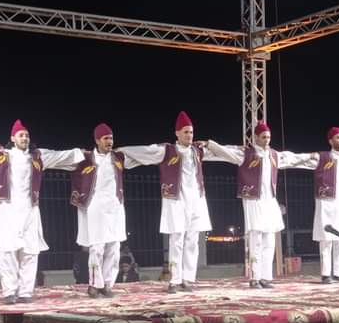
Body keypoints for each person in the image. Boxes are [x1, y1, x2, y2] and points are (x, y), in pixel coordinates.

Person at [0, 120, 84, 303]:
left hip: (29, 210)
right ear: (13, 138)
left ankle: (25, 292)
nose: (25, 138)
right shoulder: (0, 154)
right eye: (21, 135)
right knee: (7, 251)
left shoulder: (37, 156)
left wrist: (81, 154)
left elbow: (59, 156)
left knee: (30, 252)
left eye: (27, 135)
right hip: (5, 210)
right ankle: (9, 292)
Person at [203, 121, 318, 288]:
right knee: (256, 240)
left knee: (269, 240)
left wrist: (309, 156)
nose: (267, 140)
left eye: (268, 137)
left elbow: (292, 158)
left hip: (270, 200)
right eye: (263, 137)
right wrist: (210, 144)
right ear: (255, 137)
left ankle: (266, 277)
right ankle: (254, 278)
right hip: (253, 200)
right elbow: (225, 152)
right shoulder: (246, 154)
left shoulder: (274, 155)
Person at [118, 111, 217, 293]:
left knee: (193, 240)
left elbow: (224, 153)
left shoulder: (198, 150)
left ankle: (188, 279)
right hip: (176, 199)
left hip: (197, 199)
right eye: (186, 132)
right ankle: (175, 280)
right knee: (176, 239)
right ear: (177, 133)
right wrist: (120, 152)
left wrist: (211, 144)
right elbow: (145, 151)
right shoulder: (167, 150)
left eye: (191, 132)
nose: (189, 135)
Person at [71, 123, 139, 298]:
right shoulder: (85, 158)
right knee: (97, 247)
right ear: (97, 140)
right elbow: (62, 159)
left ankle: (107, 284)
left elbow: (142, 153)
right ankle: (94, 284)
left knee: (115, 247)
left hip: (115, 206)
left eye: (111, 138)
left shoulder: (118, 157)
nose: (110, 141)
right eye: (106, 138)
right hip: (96, 206)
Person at [307, 127, 339, 284]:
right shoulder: (322, 157)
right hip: (327, 202)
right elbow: (301, 160)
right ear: (330, 141)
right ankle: (326, 274)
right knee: (326, 238)